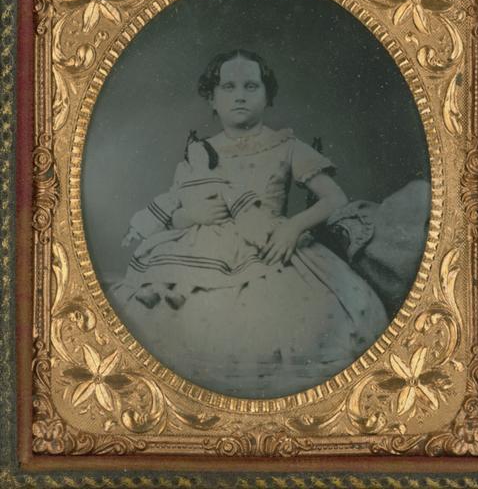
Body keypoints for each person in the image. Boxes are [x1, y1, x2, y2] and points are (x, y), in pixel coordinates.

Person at [110, 49, 388, 399]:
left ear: (267, 96)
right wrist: (191, 216)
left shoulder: (285, 145)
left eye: (251, 86)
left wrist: (293, 227)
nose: (239, 95)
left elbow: (335, 198)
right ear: (212, 98)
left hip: (267, 246)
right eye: (228, 87)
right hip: (199, 251)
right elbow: (177, 204)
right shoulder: (200, 151)